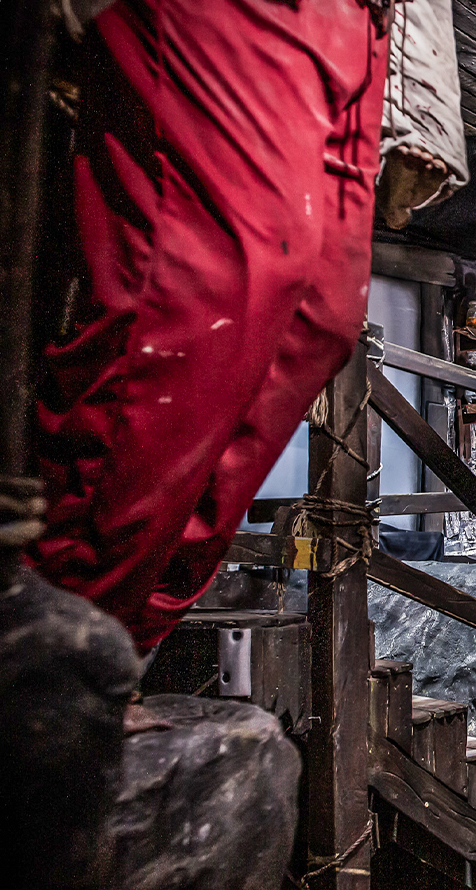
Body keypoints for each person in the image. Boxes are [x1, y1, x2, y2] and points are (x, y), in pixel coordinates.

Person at [29, 0, 392, 654]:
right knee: (216, 282)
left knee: (320, 322)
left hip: (364, 21)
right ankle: (57, 642)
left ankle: (120, 644)